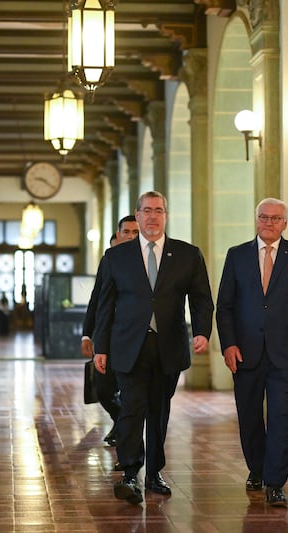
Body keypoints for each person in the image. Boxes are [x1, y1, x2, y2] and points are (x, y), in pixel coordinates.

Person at [93, 191, 214, 504]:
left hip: (168, 346)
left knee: (160, 412)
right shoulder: (116, 257)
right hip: (128, 347)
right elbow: (105, 306)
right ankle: (131, 474)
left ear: (166, 215)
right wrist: (100, 347)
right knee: (132, 408)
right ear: (137, 214)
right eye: (146, 211)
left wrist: (201, 331)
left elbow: (201, 298)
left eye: (158, 210)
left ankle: (155, 473)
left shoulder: (187, 254)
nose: (152, 216)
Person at [215, 197, 288, 508]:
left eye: (275, 218)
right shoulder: (237, 255)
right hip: (245, 352)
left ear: (285, 223)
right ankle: (256, 469)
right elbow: (225, 306)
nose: (269, 223)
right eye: (263, 217)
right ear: (256, 219)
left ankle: (276, 482)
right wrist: (229, 344)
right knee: (249, 416)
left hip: (285, 352)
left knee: (281, 416)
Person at [81, 215, 139, 450]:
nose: (131, 236)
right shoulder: (109, 260)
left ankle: (127, 438)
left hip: (136, 338)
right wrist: (88, 333)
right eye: (127, 232)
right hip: (109, 338)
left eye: (136, 232)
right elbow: (97, 299)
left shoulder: (149, 260)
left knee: (130, 393)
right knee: (103, 389)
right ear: (117, 236)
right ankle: (121, 422)